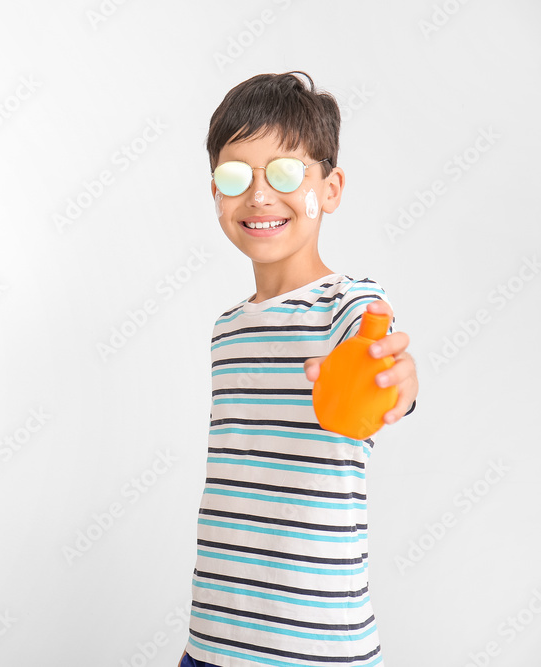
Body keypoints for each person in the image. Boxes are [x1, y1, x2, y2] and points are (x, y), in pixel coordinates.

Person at [178, 71, 420, 667]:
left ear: (330, 188)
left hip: (313, 647)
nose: (259, 196)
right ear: (214, 191)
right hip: (213, 639)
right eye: (235, 177)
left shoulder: (350, 303)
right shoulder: (227, 327)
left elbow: (383, 365)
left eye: (285, 173)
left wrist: (396, 385)